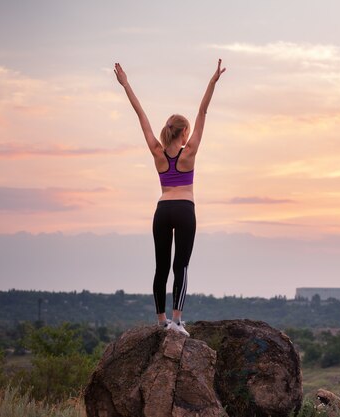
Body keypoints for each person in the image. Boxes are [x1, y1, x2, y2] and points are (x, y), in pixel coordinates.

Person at [114, 59, 226, 336]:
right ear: (185, 132)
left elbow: (140, 114)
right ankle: (177, 321)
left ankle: (161, 321)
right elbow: (203, 110)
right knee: (181, 265)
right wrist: (212, 82)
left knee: (161, 265)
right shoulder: (190, 152)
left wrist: (126, 84)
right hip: (185, 208)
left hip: (163, 209)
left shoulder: (157, 151)